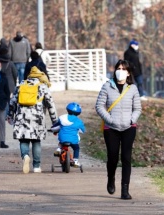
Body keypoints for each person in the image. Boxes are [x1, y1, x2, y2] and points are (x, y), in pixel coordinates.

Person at [95, 59, 142, 200]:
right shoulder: (107, 86)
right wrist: (109, 119)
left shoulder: (133, 88)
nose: (120, 71)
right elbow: (99, 106)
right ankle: (111, 179)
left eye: (123, 69)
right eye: (118, 68)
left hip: (129, 127)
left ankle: (125, 190)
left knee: (126, 158)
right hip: (111, 128)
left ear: (128, 73)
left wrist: (132, 120)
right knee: (113, 157)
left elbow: (137, 108)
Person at [7, 66, 58, 173]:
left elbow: (12, 102)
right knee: (36, 142)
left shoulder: (21, 86)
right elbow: (51, 106)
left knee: (23, 140)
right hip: (37, 119)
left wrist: (10, 115)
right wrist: (55, 122)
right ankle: (36, 166)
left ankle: (25, 156)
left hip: (22, 118)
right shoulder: (43, 87)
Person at [51, 102, 85, 167]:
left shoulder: (62, 118)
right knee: (76, 148)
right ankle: (75, 161)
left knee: (61, 142)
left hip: (63, 138)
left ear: (67, 110)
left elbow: (55, 127)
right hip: (73, 140)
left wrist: (52, 130)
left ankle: (58, 149)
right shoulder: (79, 121)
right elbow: (82, 131)